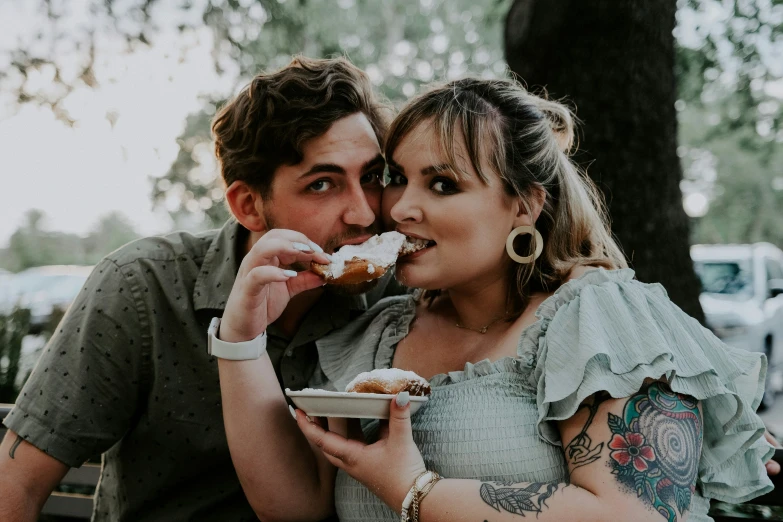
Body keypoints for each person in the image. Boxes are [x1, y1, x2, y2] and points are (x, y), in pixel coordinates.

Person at [218, 77, 776, 522]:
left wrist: (414, 489)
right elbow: (292, 506)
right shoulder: (375, 336)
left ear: (524, 205)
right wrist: (241, 339)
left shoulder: (596, 316)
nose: (398, 208)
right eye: (396, 177)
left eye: (442, 184)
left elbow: (641, 513)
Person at [0, 55, 405, 522]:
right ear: (249, 205)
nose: (363, 214)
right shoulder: (142, 289)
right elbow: (16, 483)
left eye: (373, 177)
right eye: (322, 184)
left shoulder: (395, 295)